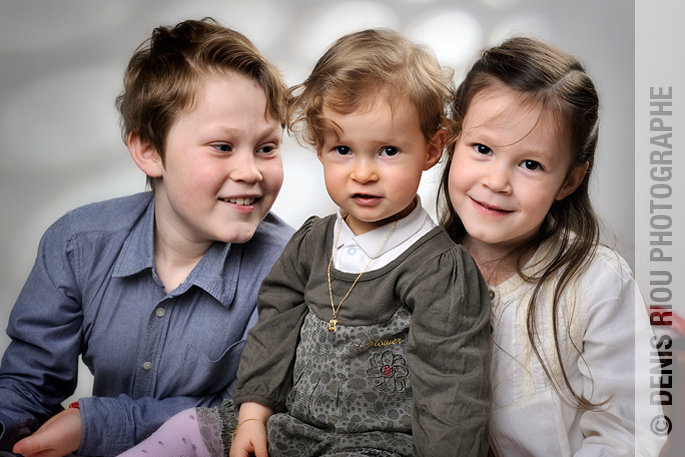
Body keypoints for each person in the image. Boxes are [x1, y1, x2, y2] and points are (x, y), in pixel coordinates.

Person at [115, 28, 492, 457]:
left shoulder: (441, 270)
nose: (363, 172)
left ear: (432, 148)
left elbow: (453, 388)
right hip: (290, 428)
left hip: (379, 445)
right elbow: (274, 326)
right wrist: (253, 416)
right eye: (343, 149)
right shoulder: (312, 242)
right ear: (319, 147)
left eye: (388, 151)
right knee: (185, 429)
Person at [0, 18, 294, 457]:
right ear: (149, 151)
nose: (251, 171)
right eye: (222, 146)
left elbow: (252, 414)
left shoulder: (290, 267)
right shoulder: (77, 244)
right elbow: (27, 384)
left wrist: (96, 423)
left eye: (267, 147)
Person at [438, 36, 666, 456]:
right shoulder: (417, 264)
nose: (497, 181)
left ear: (569, 181)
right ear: (452, 141)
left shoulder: (596, 282)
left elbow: (628, 431)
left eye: (531, 164)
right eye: (483, 149)